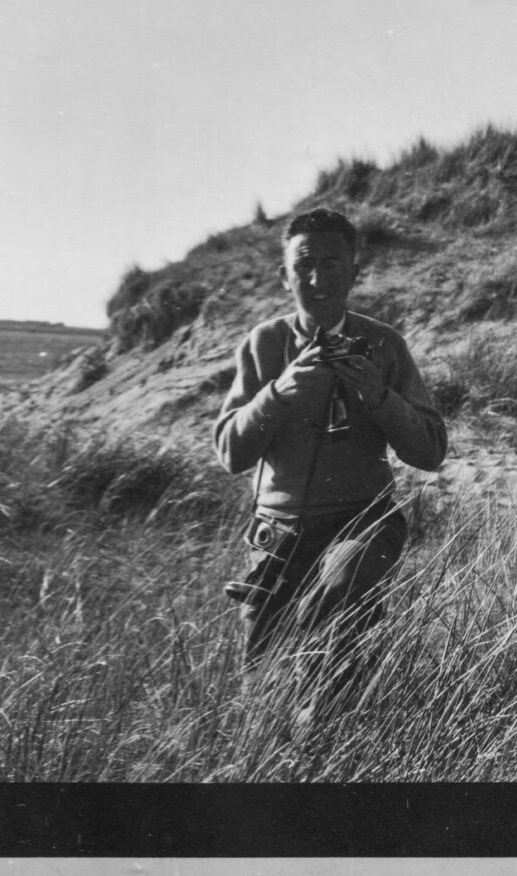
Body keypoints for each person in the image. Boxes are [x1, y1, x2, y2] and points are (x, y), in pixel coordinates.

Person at [213, 208, 447, 708]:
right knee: (261, 694)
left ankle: (337, 742)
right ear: (284, 277)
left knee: (336, 612)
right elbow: (231, 453)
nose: (318, 280)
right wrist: (278, 392)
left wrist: (379, 395)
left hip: (363, 521)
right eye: (304, 266)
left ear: (354, 273)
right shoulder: (264, 344)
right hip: (279, 530)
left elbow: (430, 452)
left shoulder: (384, 344)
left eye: (333, 264)